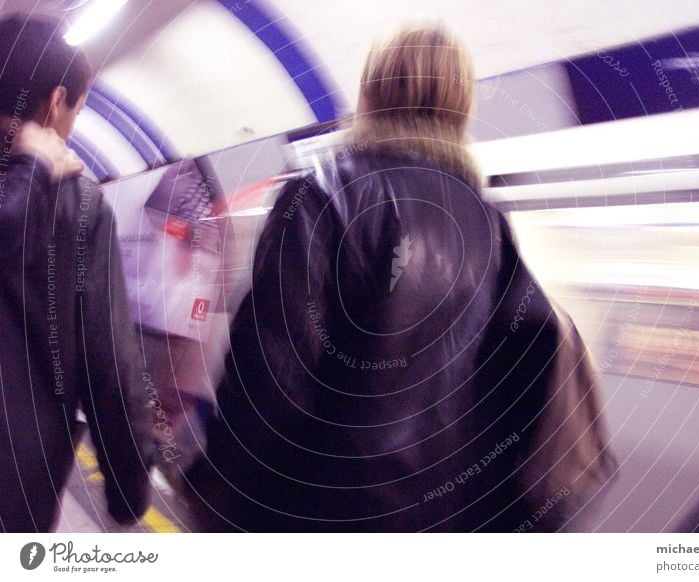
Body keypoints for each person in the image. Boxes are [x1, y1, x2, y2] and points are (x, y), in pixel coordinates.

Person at [186, 23, 615, 532]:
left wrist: (218, 492)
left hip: (316, 511)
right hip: (439, 517)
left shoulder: (323, 195)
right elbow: (516, 367)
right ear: (461, 106)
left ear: (370, 92)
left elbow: (272, 377)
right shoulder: (486, 224)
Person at [0, 15, 154, 532]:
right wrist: (129, 485)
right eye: (77, 111)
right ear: (54, 102)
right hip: (17, 476)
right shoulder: (79, 204)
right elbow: (107, 359)